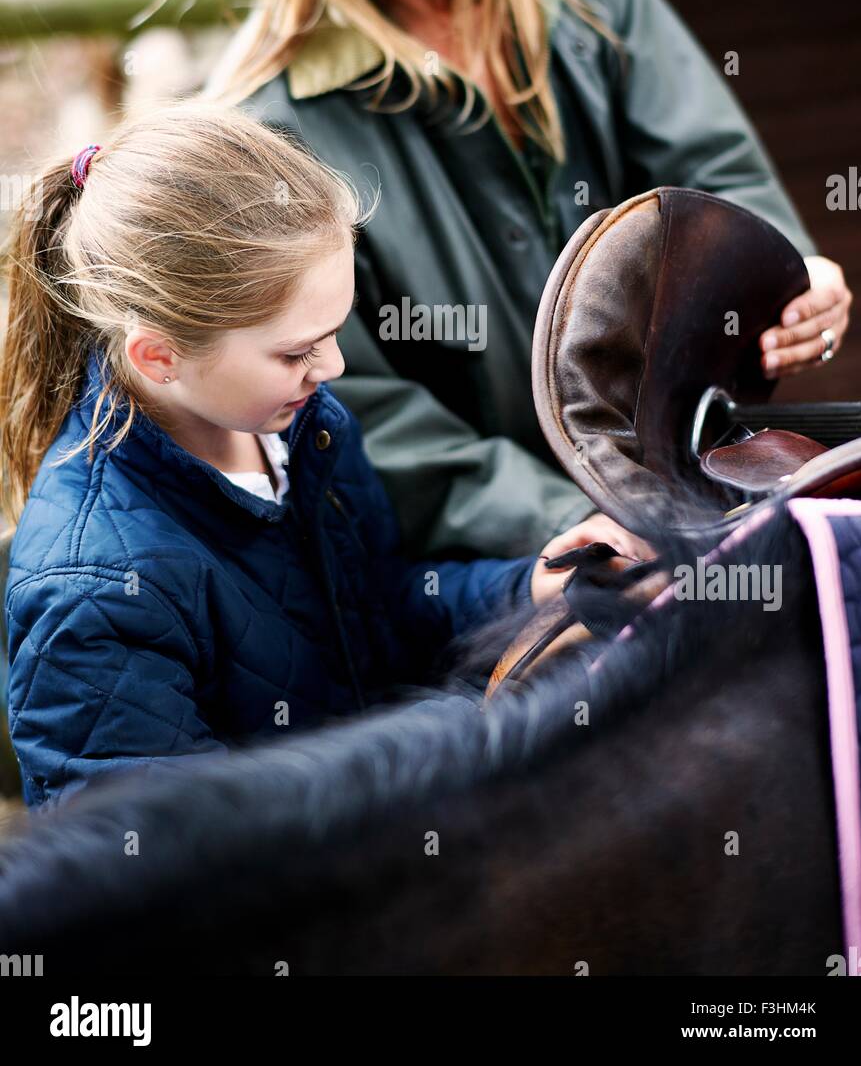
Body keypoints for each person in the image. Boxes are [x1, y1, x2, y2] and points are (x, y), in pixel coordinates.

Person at [205, 0, 852, 561]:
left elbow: (719, 177)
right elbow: (361, 415)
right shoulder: (273, 124)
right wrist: (570, 522)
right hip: (480, 577)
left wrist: (787, 275)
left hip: (690, 491)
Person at [0, 102, 646, 809]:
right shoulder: (94, 591)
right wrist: (465, 730)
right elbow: (164, 866)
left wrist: (529, 586)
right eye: (297, 350)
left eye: (335, 332)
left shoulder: (304, 431)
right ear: (159, 356)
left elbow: (376, 609)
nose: (333, 366)